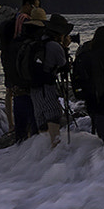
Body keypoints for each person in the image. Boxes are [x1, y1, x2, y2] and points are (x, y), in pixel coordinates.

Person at [0, 0, 44, 129]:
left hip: (7, 57)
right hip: (16, 58)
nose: (35, 9)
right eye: (34, 6)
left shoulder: (13, 19)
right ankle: (14, 124)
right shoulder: (24, 20)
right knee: (16, 90)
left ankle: (11, 124)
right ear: (27, 4)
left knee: (9, 91)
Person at [28, 15, 72, 148]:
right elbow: (64, 65)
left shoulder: (38, 41)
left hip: (34, 90)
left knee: (43, 131)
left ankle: (43, 159)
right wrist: (65, 47)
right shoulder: (54, 46)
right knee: (53, 125)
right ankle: (55, 157)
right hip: (46, 89)